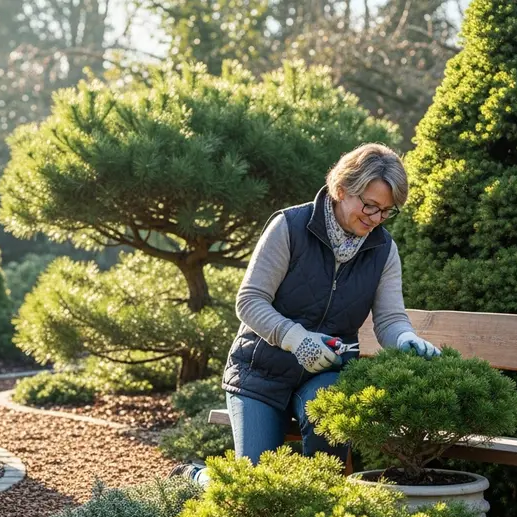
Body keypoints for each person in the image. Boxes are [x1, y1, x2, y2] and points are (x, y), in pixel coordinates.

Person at [172, 143, 440, 483]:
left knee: (321, 478)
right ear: (342, 189)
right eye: (369, 205)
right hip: (259, 374)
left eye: (386, 212)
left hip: (325, 376)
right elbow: (250, 301)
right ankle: (196, 477)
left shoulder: (384, 250)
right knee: (253, 486)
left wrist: (405, 339)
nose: (375, 219)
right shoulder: (290, 226)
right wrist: (295, 339)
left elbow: (389, 319)